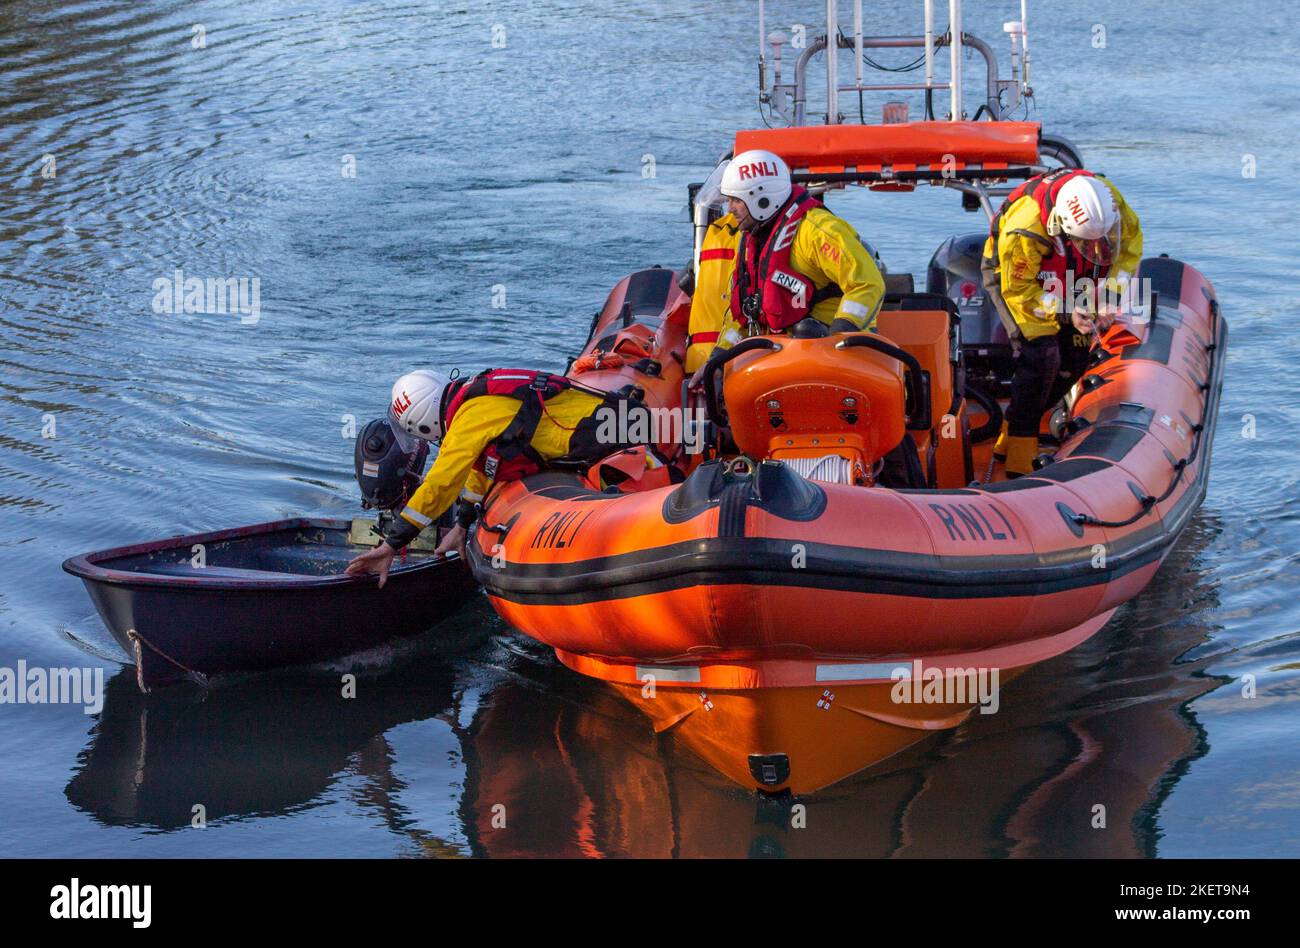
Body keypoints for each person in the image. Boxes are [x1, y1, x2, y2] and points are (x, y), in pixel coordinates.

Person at [345, 368, 641, 586]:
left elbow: (440, 485)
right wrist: (462, 525)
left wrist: (390, 545)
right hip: (615, 423)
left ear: (421, 424)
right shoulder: (474, 402)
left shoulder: (467, 420)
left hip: (617, 436)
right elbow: (482, 469)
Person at [981, 168, 1143, 476]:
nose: (1097, 249)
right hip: (1018, 280)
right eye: (1089, 243)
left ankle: (1009, 430)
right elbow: (1020, 290)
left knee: (1075, 359)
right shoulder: (1024, 230)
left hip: (1069, 273)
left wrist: (1109, 293)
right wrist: (1068, 312)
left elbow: (1130, 248)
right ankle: (1018, 456)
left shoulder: (1109, 202)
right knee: (1041, 357)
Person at [688, 148, 886, 385]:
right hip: (781, 363)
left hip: (838, 362)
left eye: (735, 201)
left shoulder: (817, 232)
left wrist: (839, 335)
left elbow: (867, 284)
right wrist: (718, 359)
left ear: (761, 198)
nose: (730, 209)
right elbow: (743, 312)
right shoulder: (751, 241)